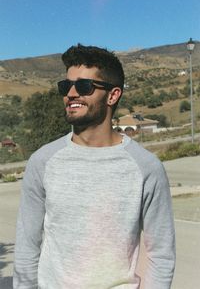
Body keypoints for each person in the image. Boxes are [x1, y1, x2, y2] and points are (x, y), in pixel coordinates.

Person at [13, 43, 175, 289]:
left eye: (85, 86)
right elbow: (27, 247)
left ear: (113, 95)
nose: (72, 93)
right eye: (66, 86)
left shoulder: (146, 167)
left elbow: (161, 254)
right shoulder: (43, 161)